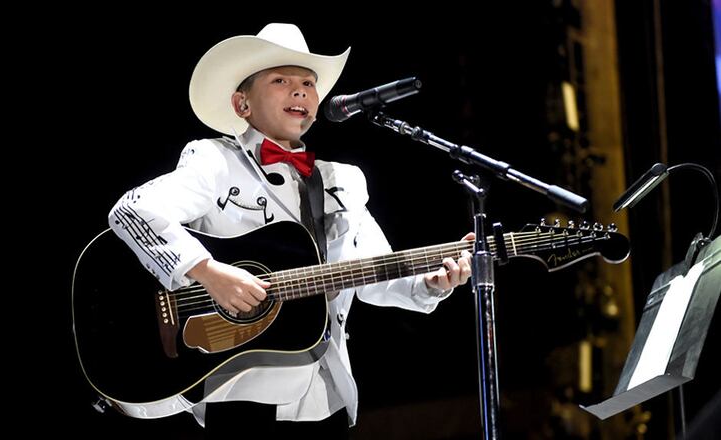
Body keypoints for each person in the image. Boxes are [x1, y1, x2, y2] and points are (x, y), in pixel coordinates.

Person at [108, 23, 474, 439]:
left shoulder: (344, 180)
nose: (299, 90)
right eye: (280, 80)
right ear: (241, 103)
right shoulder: (212, 160)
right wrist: (207, 272)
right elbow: (133, 210)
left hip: (327, 394)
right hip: (241, 394)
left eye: (307, 82)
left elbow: (371, 273)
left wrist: (430, 283)